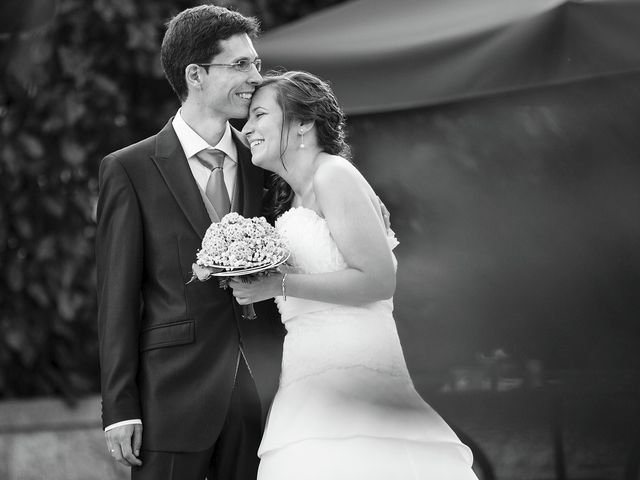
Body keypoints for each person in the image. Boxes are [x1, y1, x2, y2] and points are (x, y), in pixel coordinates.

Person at [229, 70, 479, 480]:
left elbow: (378, 281)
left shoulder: (334, 175)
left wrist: (278, 284)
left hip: (356, 366)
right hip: (306, 370)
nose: (248, 127)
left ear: (304, 123)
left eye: (258, 115)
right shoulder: (293, 193)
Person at [95, 6, 284, 480]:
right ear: (195, 74)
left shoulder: (267, 162)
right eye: (240, 65)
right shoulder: (129, 169)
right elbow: (116, 296)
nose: (255, 77)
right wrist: (120, 407)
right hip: (171, 397)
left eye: (256, 64)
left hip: (265, 396)